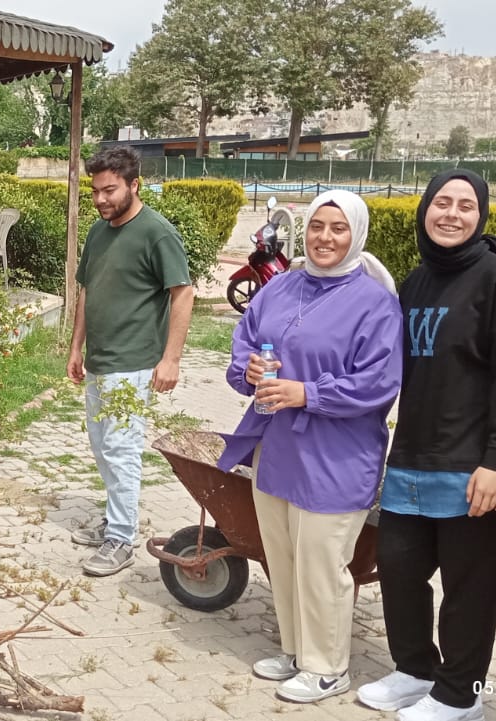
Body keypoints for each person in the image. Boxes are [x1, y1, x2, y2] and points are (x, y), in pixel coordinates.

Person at [357, 171, 496, 721]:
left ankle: (461, 693)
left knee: (469, 588)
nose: (451, 214)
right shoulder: (415, 281)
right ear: (425, 210)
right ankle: (415, 669)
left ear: (481, 215)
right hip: (411, 457)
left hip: (473, 468)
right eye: (441, 203)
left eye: (465, 205)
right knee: (400, 571)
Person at [220, 189, 403, 704]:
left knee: (321, 561)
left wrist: (308, 393)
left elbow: (379, 383)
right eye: (317, 226)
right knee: (283, 555)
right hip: (276, 447)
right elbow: (246, 341)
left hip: (336, 454)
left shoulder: (375, 303)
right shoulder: (281, 288)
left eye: (338, 228)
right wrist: (248, 368)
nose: (325, 237)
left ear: (356, 236)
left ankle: (328, 667)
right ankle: (298, 650)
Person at [65, 146, 194, 577]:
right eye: (96, 191)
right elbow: (87, 290)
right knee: (103, 448)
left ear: (134, 185)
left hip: (134, 363)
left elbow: (183, 292)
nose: (101, 199)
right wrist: (76, 346)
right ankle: (114, 521)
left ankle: (121, 538)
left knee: (121, 452)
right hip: (100, 360)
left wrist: (170, 359)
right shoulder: (99, 232)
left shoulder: (156, 232)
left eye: (110, 190)